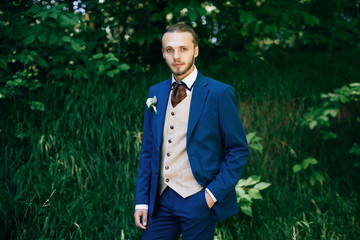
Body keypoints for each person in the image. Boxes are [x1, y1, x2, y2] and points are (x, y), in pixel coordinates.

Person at [134, 23, 249, 240]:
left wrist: (211, 195)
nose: (176, 56)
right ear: (163, 53)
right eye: (169, 50)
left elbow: (238, 150)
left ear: (195, 50)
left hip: (198, 199)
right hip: (160, 201)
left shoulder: (219, 93)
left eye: (183, 49)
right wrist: (142, 200)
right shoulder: (156, 92)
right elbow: (148, 150)